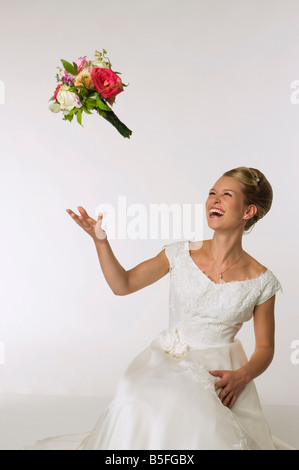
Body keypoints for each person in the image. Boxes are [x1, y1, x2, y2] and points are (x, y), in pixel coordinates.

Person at [24, 166, 295, 450]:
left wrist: (242, 376)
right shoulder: (179, 253)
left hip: (222, 371)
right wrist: (100, 242)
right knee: (150, 397)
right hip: (169, 359)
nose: (214, 200)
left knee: (201, 419)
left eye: (226, 195)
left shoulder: (262, 280)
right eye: (212, 193)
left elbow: (265, 348)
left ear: (248, 211)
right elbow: (123, 284)